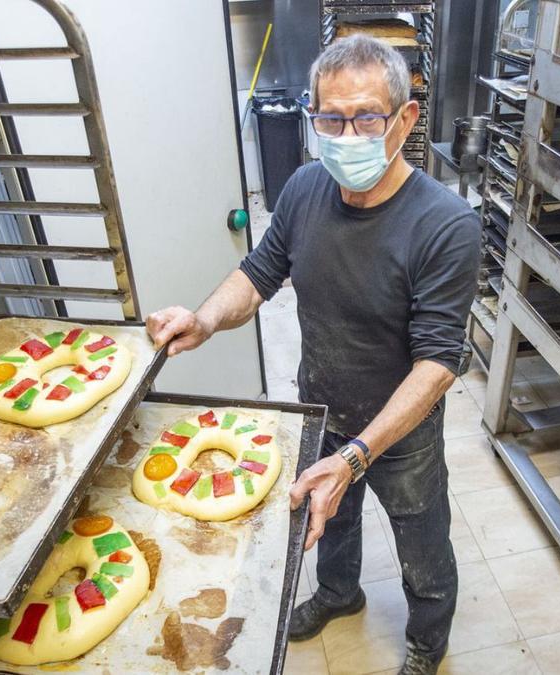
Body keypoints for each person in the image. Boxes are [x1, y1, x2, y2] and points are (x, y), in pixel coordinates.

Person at [146, 34, 481, 675]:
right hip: (321, 405)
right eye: (330, 117)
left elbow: (438, 362)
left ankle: (427, 639)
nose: (345, 134)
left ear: (406, 119)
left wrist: (361, 454)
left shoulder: (445, 225)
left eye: (366, 117)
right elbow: (258, 273)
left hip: (397, 431)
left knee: (422, 543)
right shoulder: (305, 188)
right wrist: (206, 318)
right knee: (330, 515)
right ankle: (338, 593)